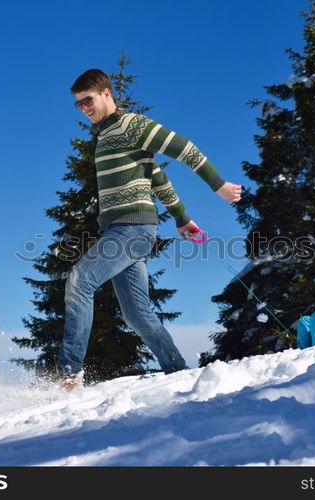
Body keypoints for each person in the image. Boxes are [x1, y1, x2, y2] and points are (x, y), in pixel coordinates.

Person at [57, 69, 242, 390]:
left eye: (88, 100)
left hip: (132, 229)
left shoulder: (133, 125)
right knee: (137, 314)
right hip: (122, 231)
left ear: (106, 94)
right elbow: (155, 175)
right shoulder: (105, 135)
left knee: (80, 281)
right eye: (78, 104)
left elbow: (185, 149)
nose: (84, 108)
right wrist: (182, 217)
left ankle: (69, 375)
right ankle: (178, 371)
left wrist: (219, 185)